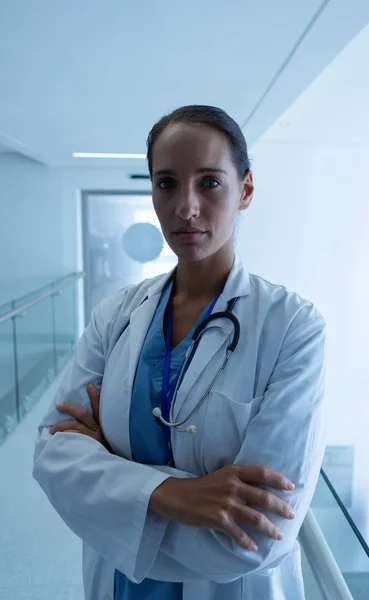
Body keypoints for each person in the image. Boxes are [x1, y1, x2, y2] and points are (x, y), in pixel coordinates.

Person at [33, 105, 326, 600]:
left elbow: (253, 538)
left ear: (245, 190)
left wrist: (110, 476)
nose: (185, 208)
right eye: (166, 183)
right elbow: (51, 454)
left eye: (209, 182)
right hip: (119, 586)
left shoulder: (292, 327)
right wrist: (177, 494)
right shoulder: (117, 315)